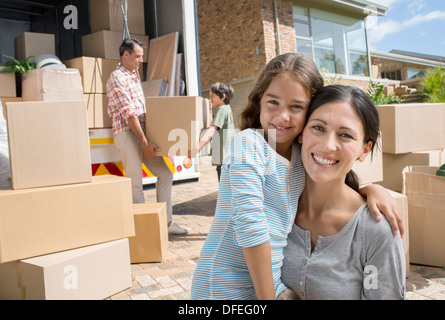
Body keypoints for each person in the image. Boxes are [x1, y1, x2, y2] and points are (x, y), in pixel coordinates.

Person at [190, 53, 403, 300]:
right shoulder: (248, 144)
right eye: (273, 102)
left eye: (296, 107)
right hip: (222, 287)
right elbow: (251, 226)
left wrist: (371, 190)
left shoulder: (299, 157)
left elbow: (333, 174)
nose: (282, 116)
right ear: (259, 101)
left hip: (265, 285)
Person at [280, 85, 406, 300]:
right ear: (301, 133)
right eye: (318, 128)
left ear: (365, 150)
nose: (328, 146)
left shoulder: (375, 231)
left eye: (345, 135)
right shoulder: (275, 207)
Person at [106, 38, 190, 235]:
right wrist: (144, 142)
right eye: (137, 56)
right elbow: (129, 114)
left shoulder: (133, 76)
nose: (140, 61)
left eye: (142, 57)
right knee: (135, 181)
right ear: (125, 55)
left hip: (143, 136)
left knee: (166, 174)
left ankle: (166, 225)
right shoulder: (117, 77)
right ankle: (143, 231)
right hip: (128, 135)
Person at [189, 82, 235, 181]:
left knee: (225, 192)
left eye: (212, 96)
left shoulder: (222, 110)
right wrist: (210, 110)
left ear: (223, 96)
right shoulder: (226, 109)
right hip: (226, 159)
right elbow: (213, 125)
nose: (210, 99)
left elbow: (211, 131)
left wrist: (196, 148)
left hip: (224, 160)